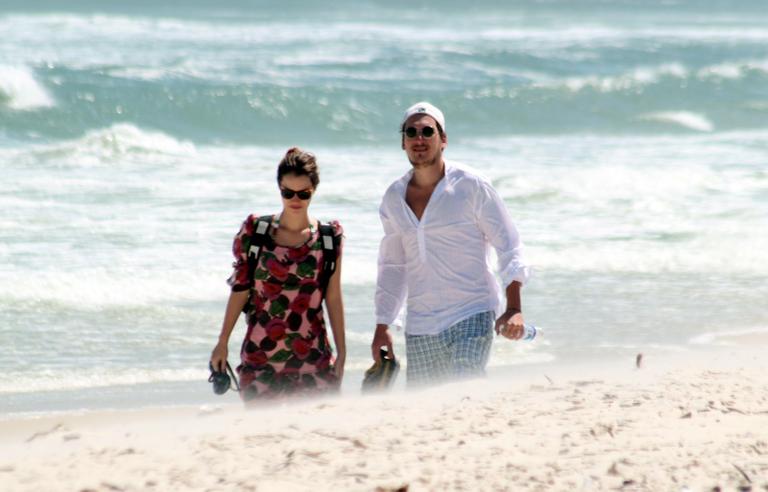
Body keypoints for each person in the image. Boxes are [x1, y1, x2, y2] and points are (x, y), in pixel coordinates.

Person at [371, 102, 530, 386]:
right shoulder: (393, 198)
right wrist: (384, 324)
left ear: (443, 140)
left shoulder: (471, 186)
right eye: (412, 132)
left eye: (427, 131)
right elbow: (393, 267)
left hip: (472, 312)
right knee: (426, 407)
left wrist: (514, 307)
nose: (419, 139)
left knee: (464, 388)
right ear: (403, 142)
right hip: (420, 325)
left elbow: (508, 244)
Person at [211, 147, 345, 401]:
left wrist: (343, 350)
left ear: (314, 190)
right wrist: (222, 342)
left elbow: (334, 297)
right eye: (288, 192)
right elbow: (240, 289)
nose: (295, 199)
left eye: (303, 193)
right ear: (279, 189)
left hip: (313, 360)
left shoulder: (328, 238)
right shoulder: (256, 232)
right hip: (260, 359)